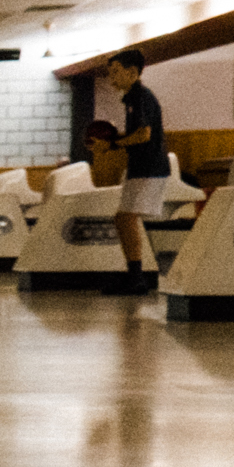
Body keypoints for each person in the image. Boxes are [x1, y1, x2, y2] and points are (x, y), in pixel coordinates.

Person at [104, 49, 168, 296]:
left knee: (125, 218)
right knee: (123, 219)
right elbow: (135, 135)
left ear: (132, 72)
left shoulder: (141, 96)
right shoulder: (133, 98)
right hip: (140, 167)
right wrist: (111, 140)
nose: (112, 79)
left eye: (116, 72)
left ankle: (137, 278)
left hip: (150, 168)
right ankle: (135, 276)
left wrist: (113, 144)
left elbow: (144, 134)